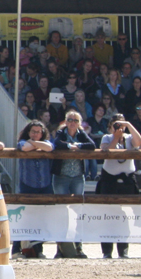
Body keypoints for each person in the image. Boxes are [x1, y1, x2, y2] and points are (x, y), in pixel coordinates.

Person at [97, 114, 141, 259]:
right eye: (116, 125)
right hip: (109, 179)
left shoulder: (129, 138)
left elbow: (139, 142)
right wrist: (116, 138)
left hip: (127, 179)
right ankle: (107, 251)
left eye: (121, 125)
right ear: (110, 126)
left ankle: (123, 250)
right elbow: (106, 152)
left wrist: (128, 125)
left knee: (125, 216)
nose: (119, 128)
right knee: (107, 215)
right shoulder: (106, 137)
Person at [50, 110, 94, 260]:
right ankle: (60, 248)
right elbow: (57, 144)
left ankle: (78, 247)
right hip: (61, 177)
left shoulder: (81, 134)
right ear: (66, 121)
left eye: (75, 120)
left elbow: (92, 145)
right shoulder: (61, 133)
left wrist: (79, 145)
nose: (72, 122)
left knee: (78, 212)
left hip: (77, 177)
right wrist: (71, 146)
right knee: (61, 212)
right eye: (70, 119)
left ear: (79, 123)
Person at [12, 119, 54, 259]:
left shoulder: (45, 142)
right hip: (27, 184)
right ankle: (16, 250)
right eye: (33, 132)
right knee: (24, 218)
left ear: (42, 133)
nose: (36, 134)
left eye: (38, 132)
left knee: (41, 218)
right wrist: (35, 144)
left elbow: (49, 147)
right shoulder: (22, 142)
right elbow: (24, 148)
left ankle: (38, 250)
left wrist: (34, 143)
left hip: (44, 185)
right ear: (28, 132)